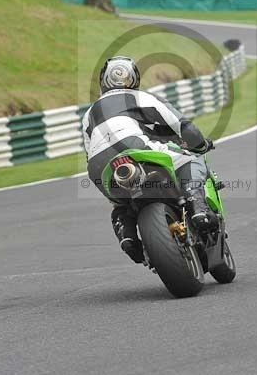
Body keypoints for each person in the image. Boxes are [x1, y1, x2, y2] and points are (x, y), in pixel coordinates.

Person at [81, 56, 217, 263]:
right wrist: (200, 144)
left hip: (97, 165)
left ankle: (127, 235)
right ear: (134, 78)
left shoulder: (89, 113)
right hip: (133, 147)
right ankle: (197, 207)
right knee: (191, 160)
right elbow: (182, 126)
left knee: (120, 202)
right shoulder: (140, 97)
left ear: (103, 81)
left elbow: (88, 151)